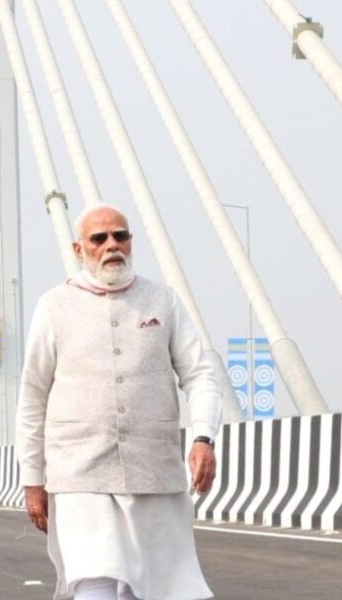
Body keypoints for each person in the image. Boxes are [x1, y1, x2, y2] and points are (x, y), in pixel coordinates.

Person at [16, 204, 220, 600]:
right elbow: (32, 397)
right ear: (79, 249)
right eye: (99, 238)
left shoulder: (163, 300)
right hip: (79, 473)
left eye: (120, 236)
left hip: (154, 472)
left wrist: (203, 439)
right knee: (96, 584)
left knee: (158, 589)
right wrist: (32, 480)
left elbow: (200, 375)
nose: (112, 245)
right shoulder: (54, 306)